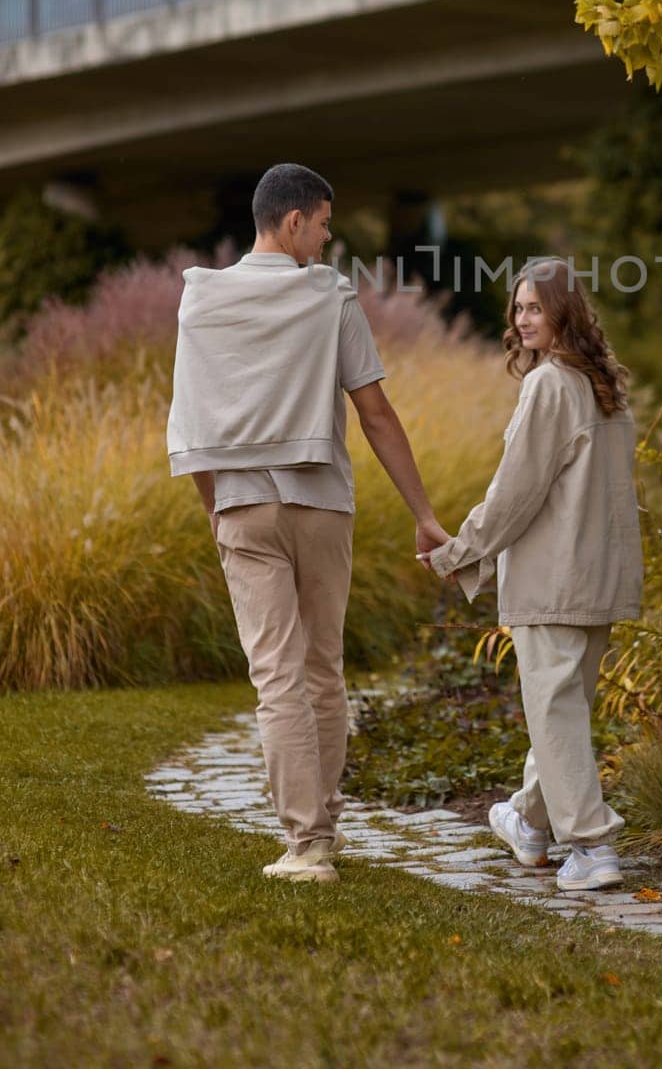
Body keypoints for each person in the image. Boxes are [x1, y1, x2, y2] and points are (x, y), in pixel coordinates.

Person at [167, 162, 451, 884]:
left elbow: (192, 425)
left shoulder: (200, 301)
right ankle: (322, 828)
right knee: (323, 669)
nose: (327, 239)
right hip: (322, 503)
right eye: (323, 224)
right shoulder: (330, 297)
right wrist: (424, 515)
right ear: (292, 220)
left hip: (243, 505)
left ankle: (306, 843)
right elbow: (376, 413)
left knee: (277, 677)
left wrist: (217, 508)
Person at [423, 257, 643, 892]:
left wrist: (457, 552)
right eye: (516, 308)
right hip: (600, 577)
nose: (521, 320)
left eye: (534, 308)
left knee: (555, 714)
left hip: (553, 581)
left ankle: (593, 847)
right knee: (564, 712)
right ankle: (526, 822)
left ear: (562, 313)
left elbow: (514, 494)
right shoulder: (605, 389)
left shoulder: (549, 386)